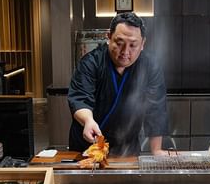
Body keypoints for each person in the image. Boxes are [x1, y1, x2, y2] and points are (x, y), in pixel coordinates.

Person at [68, 12, 168, 156]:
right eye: (119, 43)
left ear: (143, 44)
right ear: (109, 37)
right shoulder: (91, 63)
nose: (125, 52)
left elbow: (156, 109)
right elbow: (79, 97)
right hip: (89, 144)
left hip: (127, 148)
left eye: (133, 45)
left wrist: (156, 150)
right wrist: (88, 120)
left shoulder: (150, 67)